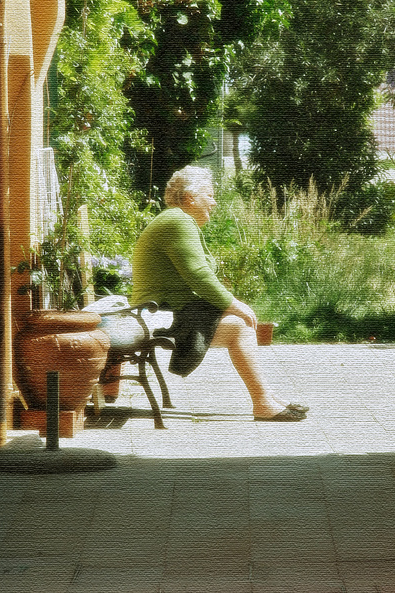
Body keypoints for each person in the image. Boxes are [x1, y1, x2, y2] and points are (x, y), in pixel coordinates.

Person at [131, 166, 309, 421]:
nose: (214, 203)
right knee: (239, 326)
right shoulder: (177, 221)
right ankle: (262, 402)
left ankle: (265, 396)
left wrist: (230, 305)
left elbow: (198, 275)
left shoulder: (178, 220)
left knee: (240, 324)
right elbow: (198, 275)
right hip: (155, 314)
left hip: (164, 310)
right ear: (191, 197)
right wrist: (234, 304)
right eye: (210, 195)